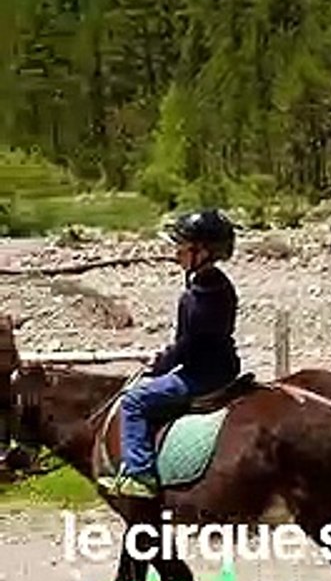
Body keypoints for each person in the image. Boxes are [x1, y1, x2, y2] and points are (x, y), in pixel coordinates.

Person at [97, 210, 241, 498]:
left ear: (201, 251)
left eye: (182, 246)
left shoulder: (200, 294)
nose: (175, 253)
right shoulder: (214, 284)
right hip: (220, 366)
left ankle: (139, 475)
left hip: (203, 374)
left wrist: (160, 364)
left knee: (134, 401)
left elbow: (190, 344)